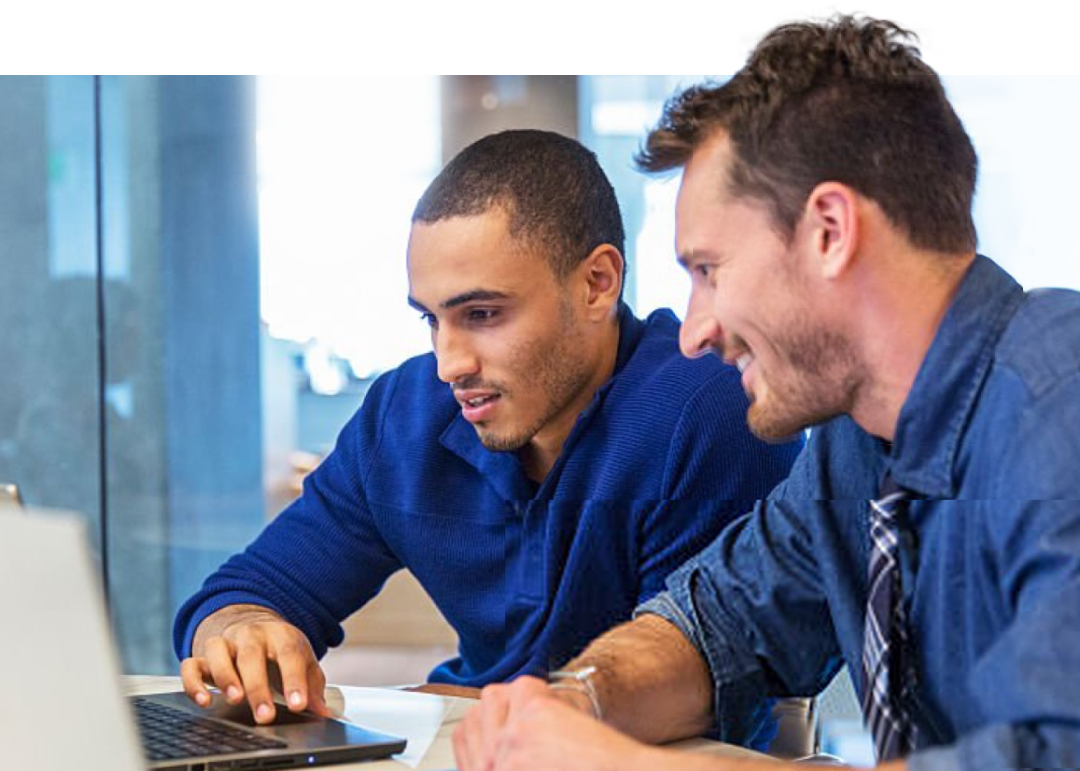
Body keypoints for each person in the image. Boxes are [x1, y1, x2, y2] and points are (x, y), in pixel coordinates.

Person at [454, 17, 1080, 771]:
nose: (694, 332)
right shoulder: (857, 444)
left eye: (708, 270)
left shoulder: (1059, 403)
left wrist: (626, 763)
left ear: (829, 231)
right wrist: (573, 703)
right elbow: (716, 623)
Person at [174, 129, 803, 728]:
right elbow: (247, 591)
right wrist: (241, 631)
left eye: (481, 314)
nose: (449, 364)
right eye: (431, 320)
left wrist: (468, 708)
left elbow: (696, 676)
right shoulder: (405, 415)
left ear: (597, 284)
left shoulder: (710, 410)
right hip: (466, 737)